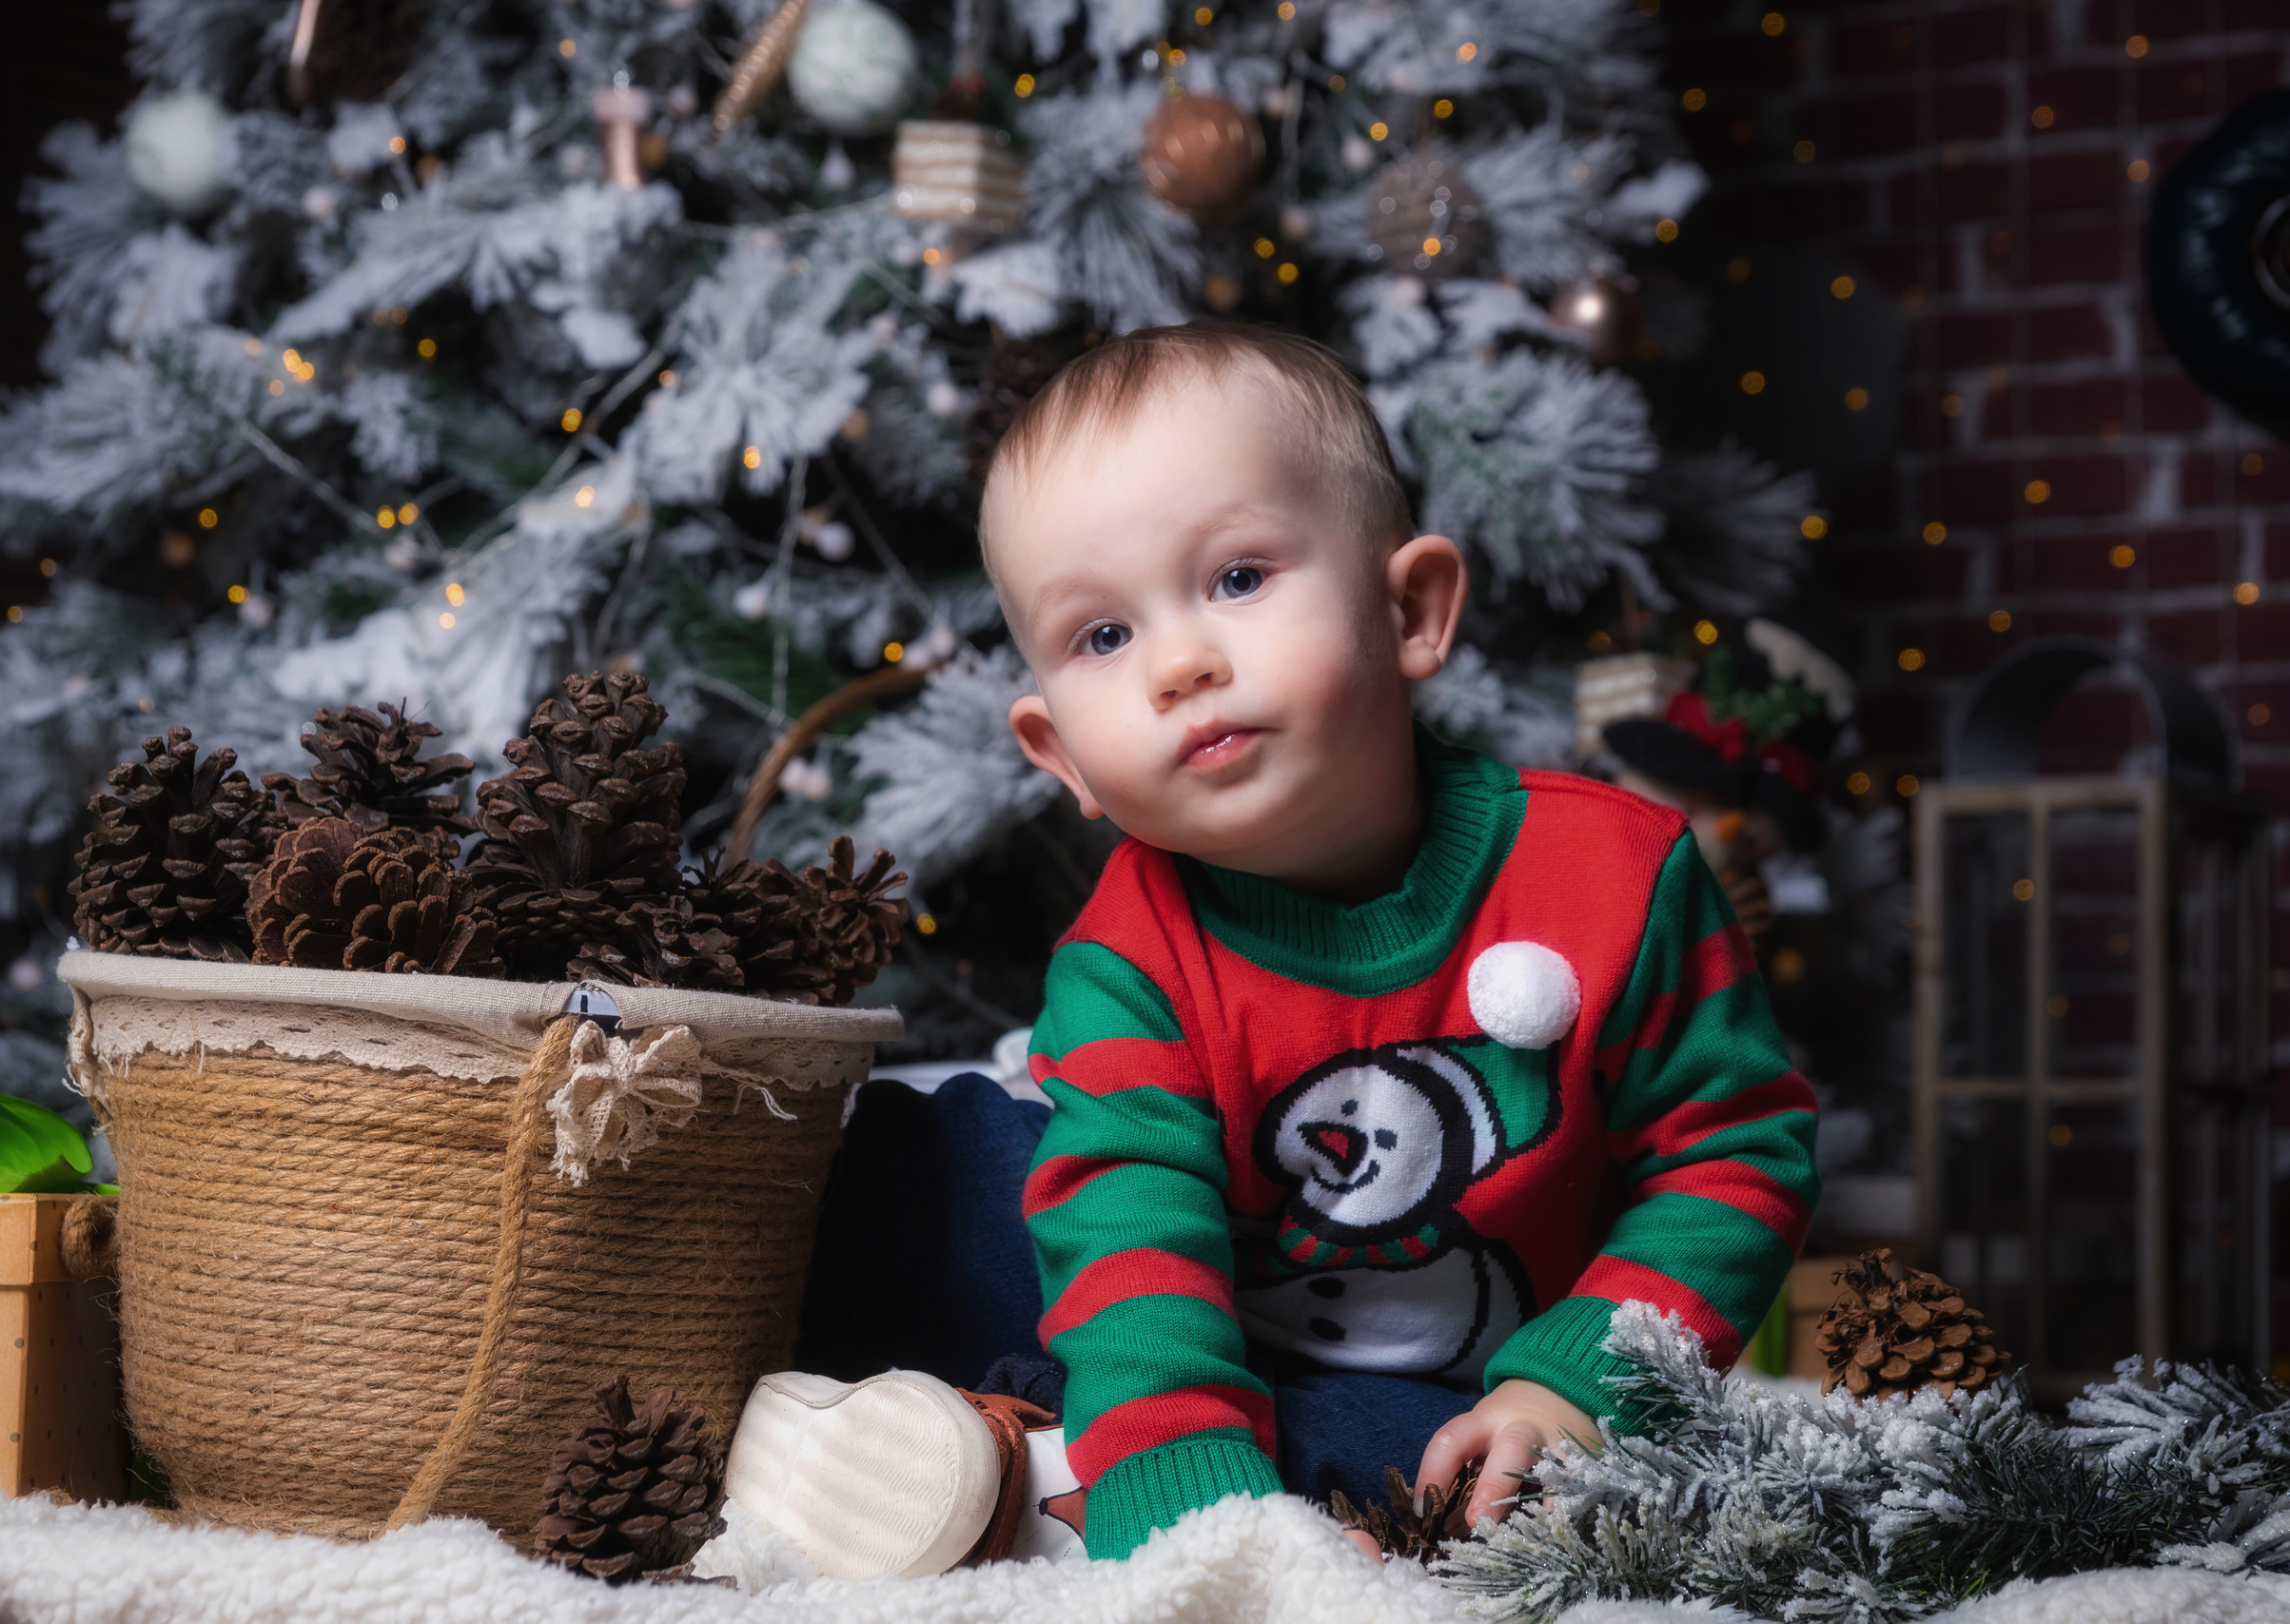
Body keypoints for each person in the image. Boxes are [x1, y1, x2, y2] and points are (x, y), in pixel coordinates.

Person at [724, 323, 1819, 1575]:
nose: (1182, 663)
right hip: (1186, 1327)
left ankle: (1018, 1468)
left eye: (1238, 577)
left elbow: (1733, 1158)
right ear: (1062, 755)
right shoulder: (1126, 964)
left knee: (1446, 1474)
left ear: (1411, 609)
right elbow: (1130, 1244)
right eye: (1102, 638)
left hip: (1455, 1375)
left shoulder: (1616, 880)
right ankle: (923, 1439)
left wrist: (1568, 1395)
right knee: (939, 1170)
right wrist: (1191, 1510)